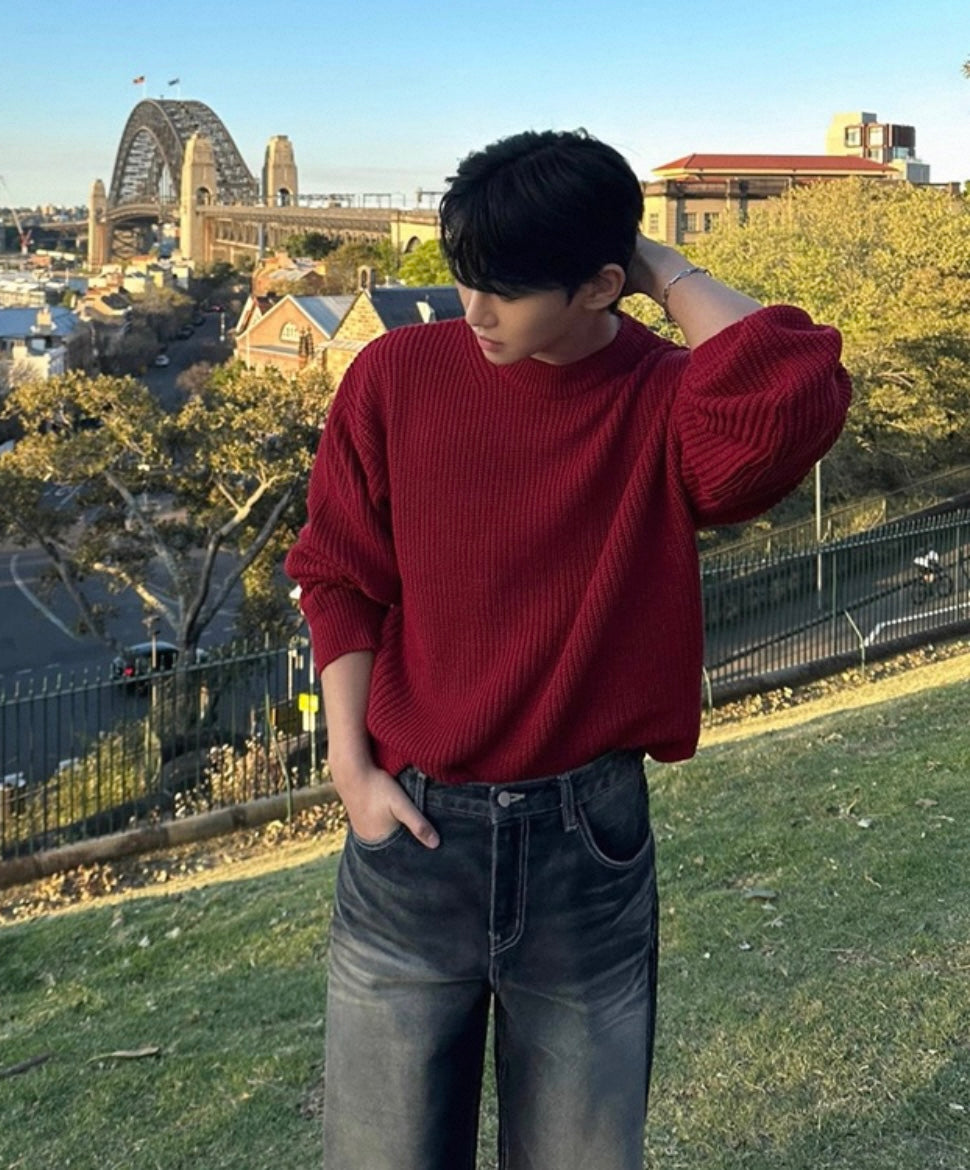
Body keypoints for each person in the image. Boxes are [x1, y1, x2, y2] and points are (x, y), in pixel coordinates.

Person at [285, 129, 851, 1170]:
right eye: (466, 277)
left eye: (506, 290)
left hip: (586, 843)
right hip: (412, 837)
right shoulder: (395, 375)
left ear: (600, 285)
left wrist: (658, 263)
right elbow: (341, 575)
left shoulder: (668, 400)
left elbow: (792, 388)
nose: (474, 311)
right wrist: (351, 768)